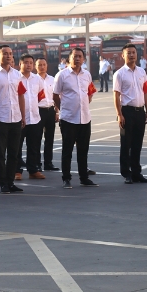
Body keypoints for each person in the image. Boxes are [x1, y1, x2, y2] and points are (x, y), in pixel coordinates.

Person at [53, 47, 97, 189]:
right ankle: (66, 178)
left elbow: (90, 92)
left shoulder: (87, 75)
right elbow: (55, 95)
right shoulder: (62, 75)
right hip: (68, 119)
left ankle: (84, 178)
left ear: (83, 59)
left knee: (83, 150)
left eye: (80, 56)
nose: (77, 59)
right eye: (74, 56)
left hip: (85, 118)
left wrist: (84, 103)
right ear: (69, 58)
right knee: (67, 151)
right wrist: (63, 109)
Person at [0, 45, 25, 194]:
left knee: (14, 154)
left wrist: (23, 116)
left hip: (16, 118)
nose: (8, 56)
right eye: (5, 54)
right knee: (0, 154)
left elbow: (20, 96)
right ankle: (3, 183)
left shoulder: (17, 74)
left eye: (10, 53)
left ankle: (11, 182)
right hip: (1, 118)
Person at [113, 43, 147, 185]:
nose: (131, 55)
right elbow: (116, 95)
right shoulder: (119, 74)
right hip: (127, 112)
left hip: (140, 112)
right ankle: (126, 173)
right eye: (128, 53)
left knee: (137, 144)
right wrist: (119, 114)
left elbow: (146, 92)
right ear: (123, 55)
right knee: (126, 144)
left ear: (137, 54)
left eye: (133, 52)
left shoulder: (142, 72)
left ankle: (136, 173)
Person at [16, 54, 44, 180]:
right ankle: (17, 171)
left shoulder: (37, 79)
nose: (29, 65)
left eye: (31, 63)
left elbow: (40, 95)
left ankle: (33, 170)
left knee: (33, 146)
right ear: (20, 64)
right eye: (26, 62)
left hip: (35, 118)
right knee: (17, 146)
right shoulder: (16, 78)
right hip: (19, 118)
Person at [35, 57, 59, 172]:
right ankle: (37, 163)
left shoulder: (52, 79)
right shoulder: (34, 80)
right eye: (39, 65)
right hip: (38, 111)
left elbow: (56, 96)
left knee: (49, 138)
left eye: (44, 64)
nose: (42, 67)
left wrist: (56, 111)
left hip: (50, 111)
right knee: (37, 138)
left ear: (47, 66)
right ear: (36, 67)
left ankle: (48, 163)